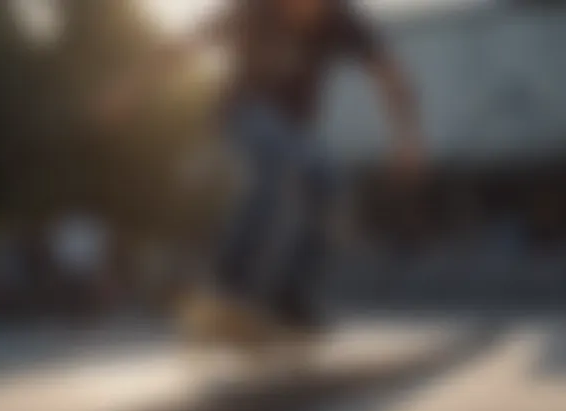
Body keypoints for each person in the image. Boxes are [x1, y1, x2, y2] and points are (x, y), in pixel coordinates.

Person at [100, 0, 424, 330]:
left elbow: (390, 75)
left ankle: (289, 297)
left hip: (296, 126)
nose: (304, 11)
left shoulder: (342, 19)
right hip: (244, 110)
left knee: (327, 182)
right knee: (278, 162)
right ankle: (229, 286)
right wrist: (131, 87)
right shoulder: (254, 9)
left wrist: (407, 138)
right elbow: (184, 45)